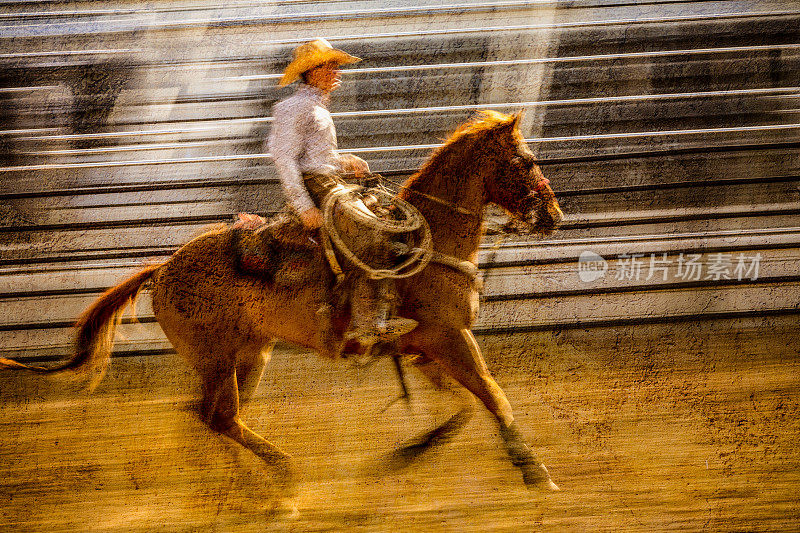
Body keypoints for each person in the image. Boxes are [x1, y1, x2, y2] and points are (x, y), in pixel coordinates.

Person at [266, 38, 417, 355]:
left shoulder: (316, 106)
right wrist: (304, 206)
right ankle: (366, 324)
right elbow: (286, 159)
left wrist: (344, 161)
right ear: (312, 71)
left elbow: (317, 157)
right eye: (330, 65)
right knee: (368, 234)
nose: (337, 70)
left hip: (328, 180)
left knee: (386, 218)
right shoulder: (293, 108)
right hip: (316, 188)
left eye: (335, 65)